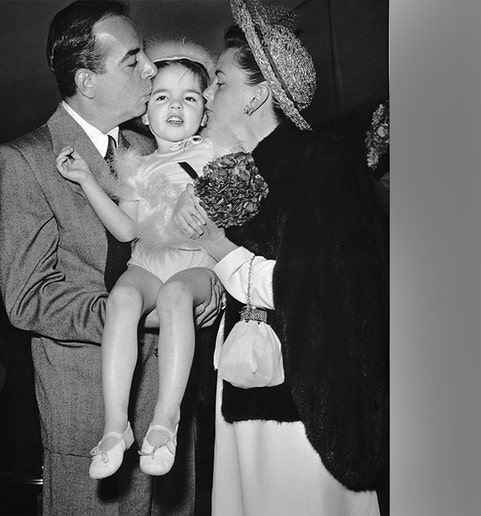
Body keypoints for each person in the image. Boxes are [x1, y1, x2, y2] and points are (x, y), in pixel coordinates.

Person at [0, 2, 221, 514]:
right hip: (89, 416)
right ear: (87, 81)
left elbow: (206, 241)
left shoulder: (156, 142)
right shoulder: (22, 161)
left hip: (171, 411)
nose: (151, 70)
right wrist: (136, 312)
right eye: (133, 60)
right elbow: (28, 299)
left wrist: (213, 291)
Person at [173, 0, 389, 514]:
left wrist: (220, 251)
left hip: (303, 412)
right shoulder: (246, 165)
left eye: (219, 82)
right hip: (249, 390)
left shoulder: (317, 160)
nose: (206, 93)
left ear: (259, 95)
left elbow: (323, 289)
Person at [54, 40, 218, 480]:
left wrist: (199, 192)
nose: (176, 106)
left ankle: (166, 421)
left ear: (206, 110)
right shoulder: (138, 166)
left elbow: (237, 213)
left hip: (194, 263)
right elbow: (127, 231)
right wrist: (89, 180)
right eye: (162, 96)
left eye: (190, 97)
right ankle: (115, 426)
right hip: (148, 261)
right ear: (146, 113)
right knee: (123, 298)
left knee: (176, 293)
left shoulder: (217, 155)